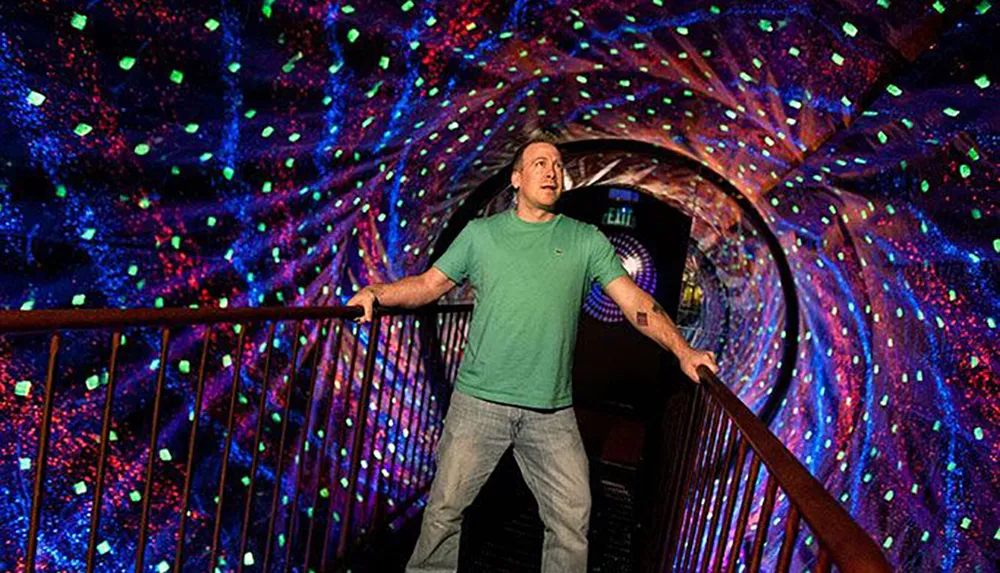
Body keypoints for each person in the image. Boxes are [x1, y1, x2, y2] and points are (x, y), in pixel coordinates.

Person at [347, 138, 719, 573]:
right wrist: (376, 292)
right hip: (478, 403)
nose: (550, 171)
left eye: (557, 165)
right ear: (516, 179)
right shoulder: (481, 235)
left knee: (571, 519)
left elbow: (634, 302)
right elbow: (429, 286)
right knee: (444, 513)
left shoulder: (585, 240)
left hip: (551, 412)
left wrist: (683, 350)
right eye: (539, 163)